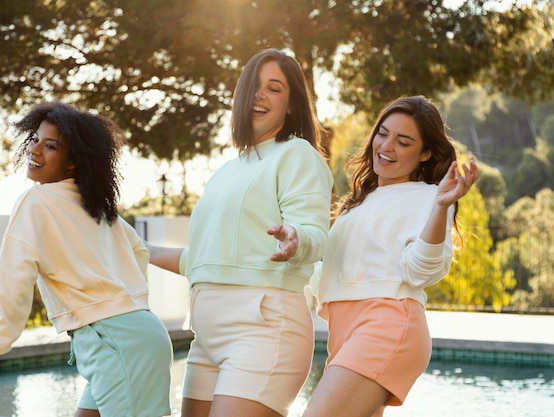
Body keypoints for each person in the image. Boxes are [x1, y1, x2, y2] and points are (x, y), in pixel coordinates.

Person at [147, 48, 334, 417]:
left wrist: (297, 239)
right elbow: (202, 261)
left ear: (292, 103)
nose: (259, 95)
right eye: (253, 86)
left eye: (274, 88)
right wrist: (139, 248)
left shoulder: (297, 153)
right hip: (206, 337)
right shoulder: (228, 170)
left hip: (263, 329)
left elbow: (315, 233)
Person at [0, 102, 173, 417]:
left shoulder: (35, 201)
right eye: (34, 139)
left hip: (113, 342)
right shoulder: (98, 208)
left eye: (51, 146)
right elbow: (139, 252)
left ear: (73, 162)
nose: (35, 150)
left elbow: (12, 284)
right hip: (141, 334)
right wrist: (124, 302)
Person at [302, 95, 479, 417]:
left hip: (387, 325)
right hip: (344, 332)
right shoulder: (358, 203)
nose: (386, 146)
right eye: (383, 133)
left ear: (425, 152)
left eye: (403, 141)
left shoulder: (431, 197)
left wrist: (441, 206)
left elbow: (422, 272)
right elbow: (326, 274)